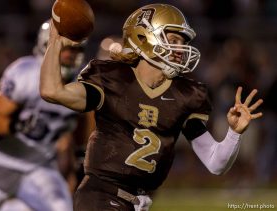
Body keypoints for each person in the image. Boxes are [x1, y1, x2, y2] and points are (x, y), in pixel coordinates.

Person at [40, 4, 263, 211]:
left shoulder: (185, 94)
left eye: (183, 42)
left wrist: (234, 133)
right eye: (173, 39)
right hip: (100, 197)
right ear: (144, 37)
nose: (180, 48)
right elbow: (52, 91)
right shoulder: (112, 79)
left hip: (141, 202)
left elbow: (216, 164)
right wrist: (55, 43)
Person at [0, 20, 87, 211]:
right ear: (47, 45)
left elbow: (82, 128)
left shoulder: (82, 81)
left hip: (40, 166)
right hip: (2, 162)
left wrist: (79, 158)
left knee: (62, 208)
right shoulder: (27, 72)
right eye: (66, 48)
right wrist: (19, 126)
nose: (71, 55)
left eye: (76, 50)